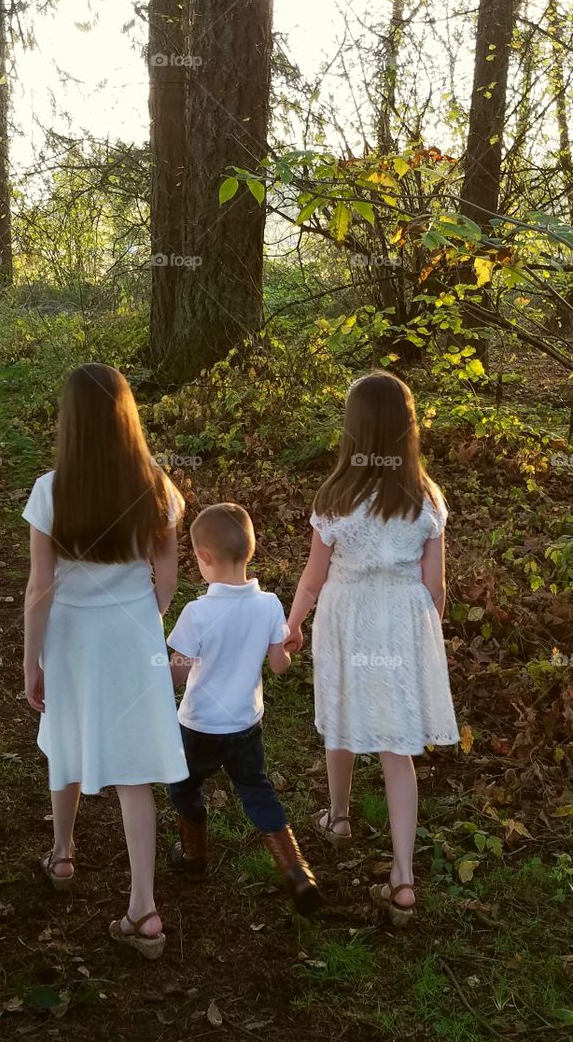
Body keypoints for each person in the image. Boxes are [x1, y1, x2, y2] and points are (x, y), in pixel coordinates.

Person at [22, 363, 188, 961]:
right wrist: (146, 617)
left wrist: (30, 661)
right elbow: (166, 575)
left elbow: (40, 588)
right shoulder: (157, 487)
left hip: (70, 633)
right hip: (132, 634)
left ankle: (63, 853)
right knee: (134, 768)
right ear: (126, 416)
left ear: (69, 423)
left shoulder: (51, 490)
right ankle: (144, 909)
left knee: (63, 736)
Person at [284, 371, 459, 927]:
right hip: (402, 618)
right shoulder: (427, 498)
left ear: (354, 430)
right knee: (397, 741)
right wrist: (423, 631)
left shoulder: (336, 497)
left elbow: (313, 578)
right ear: (407, 429)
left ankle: (337, 818)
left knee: (342, 710)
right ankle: (403, 878)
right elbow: (435, 588)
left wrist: (293, 624)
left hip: (348, 615)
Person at [165, 503, 321, 915]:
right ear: (249, 553)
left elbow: (176, 677)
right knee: (256, 790)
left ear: (204, 557)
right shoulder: (269, 604)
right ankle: (297, 871)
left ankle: (194, 857)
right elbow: (278, 665)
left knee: (183, 786)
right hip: (246, 725)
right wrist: (289, 645)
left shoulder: (196, 613)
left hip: (199, 726)